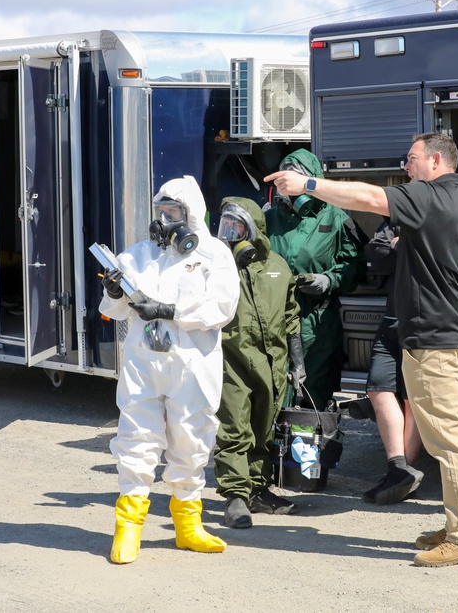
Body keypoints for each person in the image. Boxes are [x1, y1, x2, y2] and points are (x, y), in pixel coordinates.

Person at [265, 134, 458, 568]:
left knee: (451, 443)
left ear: (436, 160)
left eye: (411, 159)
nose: (407, 167)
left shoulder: (427, 197)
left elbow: (368, 197)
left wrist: (308, 184)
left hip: (433, 343)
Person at [100, 175, 240, 565]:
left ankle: (188, 527)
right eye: (160, 211)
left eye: (173, 212)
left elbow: (222, 310)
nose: (164, 219)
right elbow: (113, 310)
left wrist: (167, 311)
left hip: (193, 364)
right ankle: (128, 528)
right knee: (135, 438)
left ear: (191, 216)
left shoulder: (213, 255)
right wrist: (114, 292)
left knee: (192, 439)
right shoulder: (137, 255)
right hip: (144, 362)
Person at [213, 197, 303, 529]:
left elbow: (292, 316)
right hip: (231, 359)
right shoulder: (217, 266)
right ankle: (236, 496)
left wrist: (297, 362)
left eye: (237, 226)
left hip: (273, 364)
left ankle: (258, 489)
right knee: (236, 426)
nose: (230, 234)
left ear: (255, 229)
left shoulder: (278, 266)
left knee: (264, 428)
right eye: (225, 226)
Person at [264, 148, 366, 414]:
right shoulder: (267, 219)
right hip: (273, 320)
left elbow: (355, 267)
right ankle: (276, 451)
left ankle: (313, 452)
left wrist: (328, 280)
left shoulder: (336, 217)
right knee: (272, 391)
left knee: (313, 394)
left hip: (316, 324)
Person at [360, 220, 425, 505]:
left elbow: (435, 255)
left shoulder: (441, 211)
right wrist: (401, 247)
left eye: (411, 170)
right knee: (378, 387)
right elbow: (375, 253)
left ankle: (404, 474)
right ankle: (399, 469)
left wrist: (401, 245)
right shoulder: (397, 218)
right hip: (391, 319)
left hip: (423, 321)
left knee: (413, 398)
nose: (408, 171)